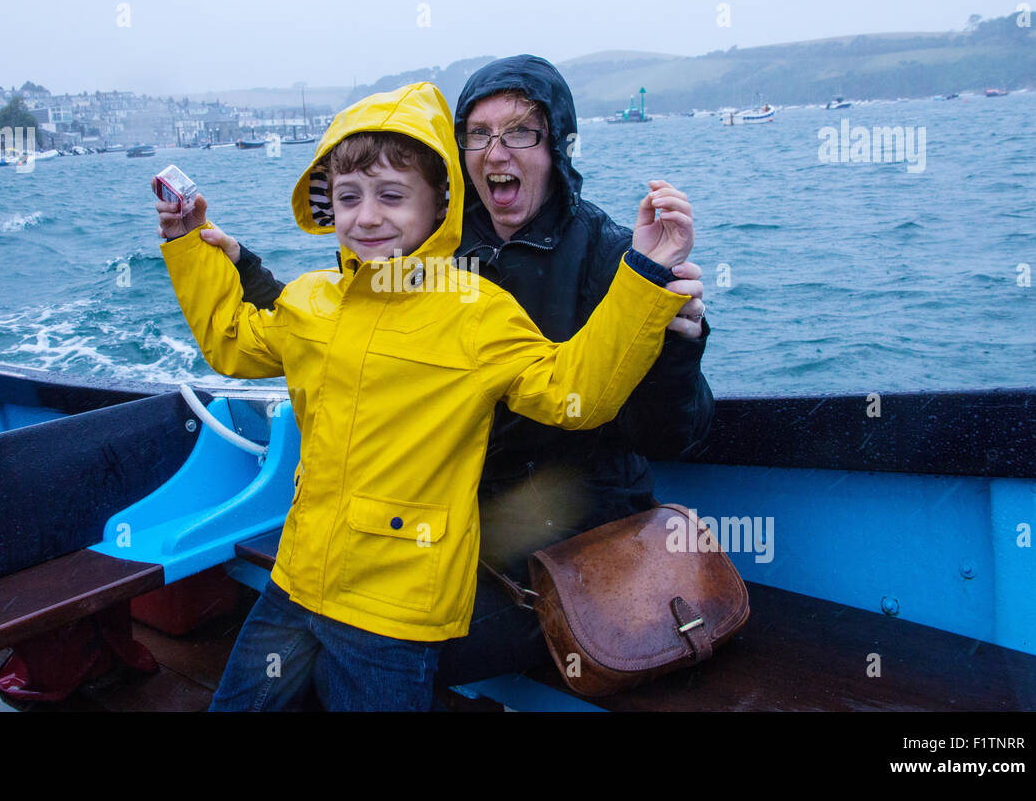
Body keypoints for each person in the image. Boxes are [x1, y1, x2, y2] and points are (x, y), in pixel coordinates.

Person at [153, 81, 694, 710]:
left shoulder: (476, 313)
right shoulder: (308, 300)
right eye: (349, 197)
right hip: (296, 583)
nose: (368, 216)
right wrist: (189, 245)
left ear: (440, 202)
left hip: (397, 612)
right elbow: (231, 344)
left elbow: (577, 391)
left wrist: (646, 275)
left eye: (392, 195)